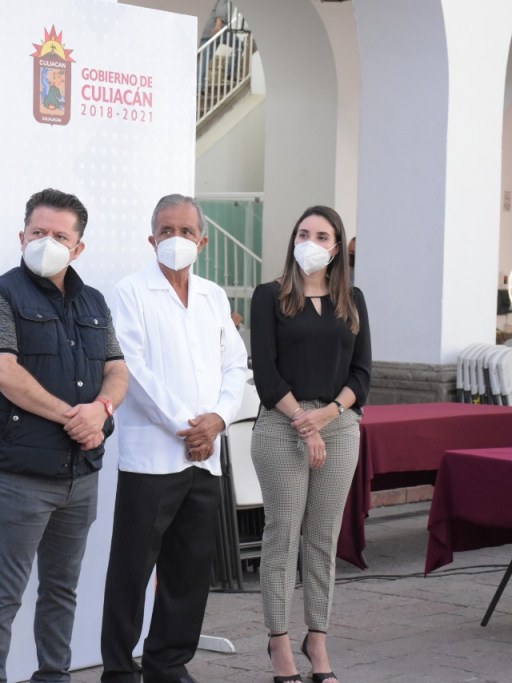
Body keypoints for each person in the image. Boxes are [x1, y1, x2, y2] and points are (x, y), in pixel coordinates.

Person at [0, 188, 129, 683]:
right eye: (38, 232)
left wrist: (101, 410)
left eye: (60, 236)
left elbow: (117, 370)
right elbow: (3, 373)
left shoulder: (93, 301)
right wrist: (73, 418)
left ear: (78, 248)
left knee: (62, 589)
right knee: (5, 591)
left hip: (79, 474)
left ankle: (54, 676)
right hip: (19, 474)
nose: (47, 242)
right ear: (21, 236)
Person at [100, 194, 248, 683]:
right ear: (151, 239)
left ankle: (167, 664)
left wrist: (218, 420)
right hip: (152, 458)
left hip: (204, 458)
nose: (176, 239)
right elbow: (132, 370)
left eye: (186, 231)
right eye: (166, 230)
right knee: (131, 570)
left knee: (189, 569)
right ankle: (119, 670)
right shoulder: (130, 292)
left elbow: (235, 364)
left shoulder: (213, 296)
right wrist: (191, 426)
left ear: (202, 242)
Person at [249, 206, 371, 683]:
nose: (310, 242)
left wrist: (329, 414)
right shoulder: (269, 296)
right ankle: (279, 642)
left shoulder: (352, 300)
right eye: (303, 233)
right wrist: (304, 420)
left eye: (322, 236)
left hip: (338, 426)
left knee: (323, 537)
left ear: (336, 247)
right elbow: (265, 372)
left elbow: (362, 373)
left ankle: (316, 640)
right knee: (282, 534)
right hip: (283, 424)